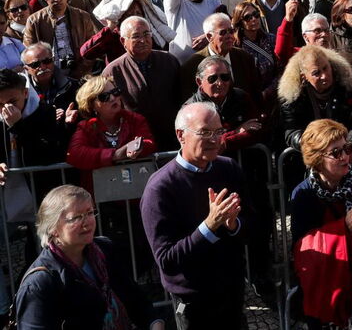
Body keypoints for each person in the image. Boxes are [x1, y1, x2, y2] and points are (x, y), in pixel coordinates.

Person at [140, 102, 251, 330]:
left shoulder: (228, 169)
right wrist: (209, 227)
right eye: (205, 132)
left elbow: (256, 224)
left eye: (218, 131)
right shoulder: (160, 188)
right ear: (181, 135)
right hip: (194, 301)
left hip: (232, 290)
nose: (214, 139)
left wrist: (234, 225)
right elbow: (167, 259)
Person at [14, 185, 164, 329]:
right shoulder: (39, 283)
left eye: (90, 212)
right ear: (53, 229)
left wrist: (154, 323)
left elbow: (135, 300)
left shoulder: (104, 251)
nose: (87, 222)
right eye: (76, 218)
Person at [289, 119, 352, 329]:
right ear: (317, 158)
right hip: (325, 284)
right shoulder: (303, 194)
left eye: (346, 149)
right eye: (336, 153)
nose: (345, 157)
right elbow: (301, 247)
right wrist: (344, 226)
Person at [103, 16, 183, 150]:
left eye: (146, 34)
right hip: (136, 143)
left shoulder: (169, 61)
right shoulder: (113, 71)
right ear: (123, 41)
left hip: (172, 137)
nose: (143, 40)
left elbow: (181, 96)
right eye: (136, 36)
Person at [66, 75, 156, 192]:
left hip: (135, 195)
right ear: (91, 105)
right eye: (104, 97)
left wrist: (139, 147)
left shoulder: (135, 120)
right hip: (101, 198)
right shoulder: (86, 127)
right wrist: (114, 155)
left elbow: (149, 143)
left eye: (115, 92)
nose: (113, 98)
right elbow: (74, 154)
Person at [278, 44, 352, 152]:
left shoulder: (347, 88)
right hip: (311, 159)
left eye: (325, 68)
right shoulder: (293, 98)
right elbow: (291, 131)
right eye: (316, 73)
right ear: (304, 76)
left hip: (346, 154)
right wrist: (316, 146)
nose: (324, 76)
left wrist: (349, 146)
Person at [23, 0, 98, 79]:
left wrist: (80, 71)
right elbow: (29, 52)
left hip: (81, 74)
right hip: (48, 76)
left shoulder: (82, 16)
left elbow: (91, 49)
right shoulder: (34, 20)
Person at [179, 12, 263, 105]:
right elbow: (190, 105)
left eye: (231, 31)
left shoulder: (245, 57)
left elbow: (256, 93)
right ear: (209, 36)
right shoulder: (192, 66)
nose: (230, 36)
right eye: (223, 32)